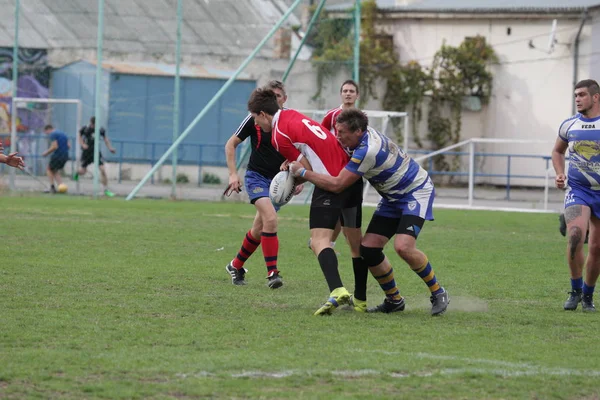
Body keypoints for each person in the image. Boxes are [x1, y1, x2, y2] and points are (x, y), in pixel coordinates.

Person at [290, 108, 450, 316]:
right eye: (336, 131)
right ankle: (394, 300)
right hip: (392, 198)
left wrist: (303, 173)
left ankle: (438, 292)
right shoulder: (357, 138)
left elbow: (338, 184)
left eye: (342, 132)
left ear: (357, 131)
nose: (337, 136)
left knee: (403, 247)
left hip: (415, 191)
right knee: (369, 249)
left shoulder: (368, 150)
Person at [248, 88, 380, 316]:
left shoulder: (278, 135)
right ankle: (360, 300)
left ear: (263, 114)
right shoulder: (293, 115)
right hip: (351, 176)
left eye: (255, 120)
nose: (257, 125)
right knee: (355, 244)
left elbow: (306, 169)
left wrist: (293, 176)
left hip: (331, 182)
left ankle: (337, 290)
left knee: (318, 241)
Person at [223, 80, 302, 289]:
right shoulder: (254, 118)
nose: (274, 101)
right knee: (271, 219)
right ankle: (272, 273)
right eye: (271, 97)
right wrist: (233, 174)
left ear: (284, 99)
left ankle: (235, 265)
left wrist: (297, 178)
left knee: (259, 228)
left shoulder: (290, 120)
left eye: (278, 97)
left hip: (280, 182)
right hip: (256, 178)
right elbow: (231, 144)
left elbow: (299, 151)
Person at [552, 78, 600, 312]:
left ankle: (588, 296)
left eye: (582, 95)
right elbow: (557, 151)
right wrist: (560, 173)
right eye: (575, 96)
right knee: (574, 236)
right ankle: (575, 290)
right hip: (578, 191)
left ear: (595, 97)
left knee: (597, 247)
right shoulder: (569, 125)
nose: (578, 99)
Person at [308, 79, 361, 250]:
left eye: (351, 91)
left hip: (352, 169)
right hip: (333, 169)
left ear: (357, 95)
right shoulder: (332, 115)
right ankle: (324, 241)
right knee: (336, 210)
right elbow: (319, 134)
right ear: (341, 94)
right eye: (345, 90)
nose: (348, 93)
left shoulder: (361, 118)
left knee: (344, 214)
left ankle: (327, 242)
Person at [73, 116, 116, 197]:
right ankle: (76, 173)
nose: (95, 126)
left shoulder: (100, 130)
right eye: (94, 124)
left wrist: (110, 148)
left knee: (103, 170)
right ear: (91, 123)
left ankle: (106, 190)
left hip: (96, 152)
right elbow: (79, 135)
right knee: (83, 171)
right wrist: (82, 144)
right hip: (87, 153)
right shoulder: (85, 129)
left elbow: (106, 139)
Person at [41, 124, 70, 194]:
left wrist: (46, 153)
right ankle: (62, 187)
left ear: (48, 129)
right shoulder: (63, 134)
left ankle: (52, 187)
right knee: (55, 170)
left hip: (58, 155)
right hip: (65, 155)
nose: (47, 135)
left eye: (46, 133)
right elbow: (69, 146)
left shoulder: (53, 134)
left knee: (49, 169)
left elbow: (54, 146)